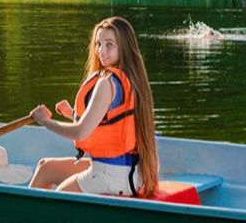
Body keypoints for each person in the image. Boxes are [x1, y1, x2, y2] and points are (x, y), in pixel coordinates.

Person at [27, 17, 159, 197]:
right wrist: (72, 113)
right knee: (45, 167)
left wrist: (44, 121)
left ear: (124, 48)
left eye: (109, 45)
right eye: (98, 44)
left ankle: (29, 220)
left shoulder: (107, 83)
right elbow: (113, 123)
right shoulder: (133, 80)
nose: (101, 51)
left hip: (109, 176)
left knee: (55, 199)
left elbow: (80, 132)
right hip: (131, 174)